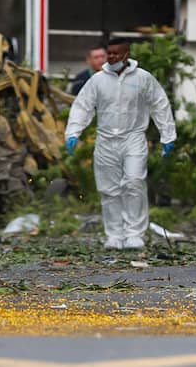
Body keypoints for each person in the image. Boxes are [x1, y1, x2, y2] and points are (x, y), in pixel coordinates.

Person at [65, 38, 177, 250]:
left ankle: (135, 234)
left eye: (117, 53)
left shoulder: (143, 78)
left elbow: (160, 105)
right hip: (106, 139)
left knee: (134, 182)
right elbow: (83, 106)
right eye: (110, 53)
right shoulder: (98, 80)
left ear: (127, 54)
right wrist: (73, 132)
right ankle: (115, 235)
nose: (113, 57)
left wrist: (167, 135)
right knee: (109, 190)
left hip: (133, 137)